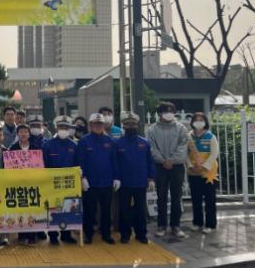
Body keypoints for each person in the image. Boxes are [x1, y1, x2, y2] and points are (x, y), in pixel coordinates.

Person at [147, 101, 189, 238]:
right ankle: (161, 226)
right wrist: (163, 160)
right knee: (161, 197)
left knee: (177, 197)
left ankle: (176, 225)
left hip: (177, 166)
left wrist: (172, 160)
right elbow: (151, 148)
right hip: (160, 167)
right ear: (159, 113)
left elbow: (183, 146)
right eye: (166, 111)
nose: (169, 114)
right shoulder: (152, 130)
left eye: (171, 111)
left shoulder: (181, 128)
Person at [77, 113, 119, 245]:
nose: (98, 126)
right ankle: (88, 234)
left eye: (100, 124)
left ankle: (106, 234)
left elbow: (114, 161)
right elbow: (80, 161)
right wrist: (82, 177)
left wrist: (116, 178)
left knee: (106, 210)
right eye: (95, 124)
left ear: (103, 125)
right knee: (89, 210)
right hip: (90, 183)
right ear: (90, 125)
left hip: (106, 182)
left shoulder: (110, 141)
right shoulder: (84, 141)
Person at [115, 112, 155, 244]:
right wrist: (116, 178)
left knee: (140, 209)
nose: (130, 126)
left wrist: (151, 178)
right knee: (124, 209)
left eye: (133, 124)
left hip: (140, 182)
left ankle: (141, 234)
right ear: (123, 126)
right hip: (124, 182)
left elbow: (150, 161)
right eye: (128, 124)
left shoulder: (145, 142)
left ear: (137, 125)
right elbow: (115, 163)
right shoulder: (118, 143)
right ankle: (125, 234)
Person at [42, 116, 78, 245]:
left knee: (68, 208)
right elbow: (44, 164)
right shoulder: (48, 145)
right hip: (52, 184)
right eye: (61, 127)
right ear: (56, 128)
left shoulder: (73, 145)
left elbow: (77, 164)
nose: (63, 129)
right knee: (53, 209)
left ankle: (66, 234)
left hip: (69, 184)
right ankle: (53, 235)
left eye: (66, 127)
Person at [186, 112, 219, 234]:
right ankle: (197, 222)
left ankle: (210, 224)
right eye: (196, 120)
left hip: (209, 173)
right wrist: (190, 166)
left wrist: (204, 166)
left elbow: (214, 153)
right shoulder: (188, 137)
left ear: (205, 122)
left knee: (210, 199)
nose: (198, 122)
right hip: (193, 172)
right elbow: (185, 154)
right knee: (196, 199)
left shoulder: (210, 136)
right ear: (192, 122)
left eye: (201, 120)